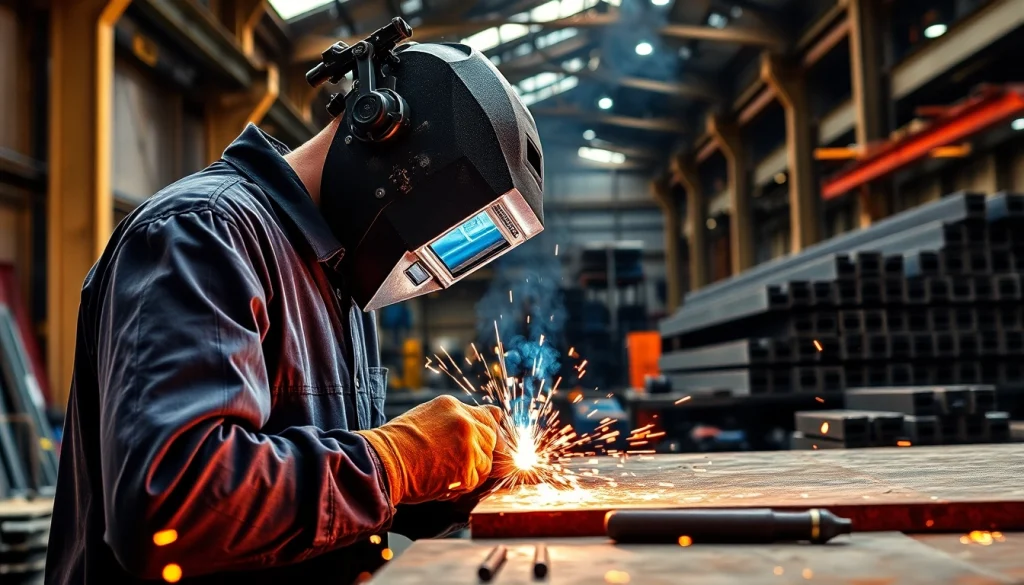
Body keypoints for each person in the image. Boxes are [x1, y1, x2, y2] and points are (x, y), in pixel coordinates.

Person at [45, 37, 544, 585]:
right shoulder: (204, 234)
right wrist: (396, 461)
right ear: (379, 126)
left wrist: (442, 479)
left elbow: (313, 484)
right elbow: (175, 506)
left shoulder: (339, 274)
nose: (426, 263)